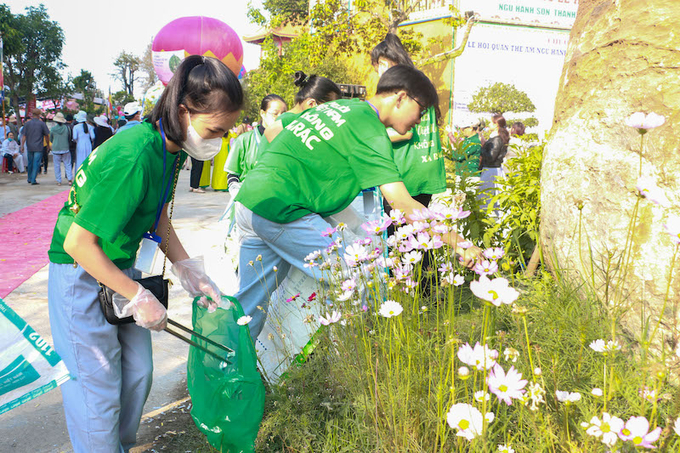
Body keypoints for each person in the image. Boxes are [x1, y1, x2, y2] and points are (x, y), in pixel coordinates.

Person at [47, 55, 242, 453]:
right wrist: (137, 296)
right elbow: (78, 244)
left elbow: (156, 217)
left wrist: (188, 267)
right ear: (184, 110)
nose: (218, 141)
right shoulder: (135, 153)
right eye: (215, 130)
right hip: (82, 272)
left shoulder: (169, 148)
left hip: (120, 265)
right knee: (96, 390)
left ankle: (114, 446)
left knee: (138, 373)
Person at [233, 65, 482, 339]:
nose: (421, 119)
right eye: (421, 110)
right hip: (281, 210)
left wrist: (312, 167)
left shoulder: (337, 108)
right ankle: (352, 359)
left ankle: (225, 374)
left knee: (248, 309)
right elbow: (402, 203)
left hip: (249, 202)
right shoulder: (370, 131)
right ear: (400, 97)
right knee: (363, 271)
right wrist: (460, 243)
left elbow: (273, 132)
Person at [370, 33, 447, 292]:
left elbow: (405, 132)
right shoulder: (420, 85)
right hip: (424, 169)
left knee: (403, 235)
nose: (379, 71)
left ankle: (416, 289)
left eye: (380, 64)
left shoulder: (405, 93)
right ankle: (423, 289)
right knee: (419, 234)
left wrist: (375, 140)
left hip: (406, 173)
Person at [224, 94, 287, 195]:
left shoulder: (288, 140)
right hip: (248, 198)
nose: (280, 118)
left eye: (283, 113)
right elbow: (232, 173)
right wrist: (236, 191)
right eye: (275, 114)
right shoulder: (244, 140)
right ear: (263, 113)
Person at [478, 114, 509, 212]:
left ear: (496, 125)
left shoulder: (496, 139)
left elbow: (491, 157)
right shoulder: (496, 138)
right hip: (491, 169)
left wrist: (482, 147)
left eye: (492, 122)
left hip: (491, 170)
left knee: (486, 195)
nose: (489, 124)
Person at [21, 108, 50, 185]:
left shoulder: (27, 124)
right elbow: (47, 135)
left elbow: (24, 136)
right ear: (39, 114)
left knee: (30, 162)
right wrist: (48, 145)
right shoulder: (42, 124)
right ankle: (33, 179)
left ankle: (29, 178)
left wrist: (22, 146)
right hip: (38, 146)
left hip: (29, 146)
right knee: (36, 163)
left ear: (32, 114)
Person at [50, 112, 73, 186]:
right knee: (67, 164)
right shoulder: (67, 128)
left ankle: (59, 181)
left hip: (56, 149)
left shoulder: (53, 129)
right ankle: (69, 179)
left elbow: (51, 139)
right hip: (65, 148)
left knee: (57, 166)